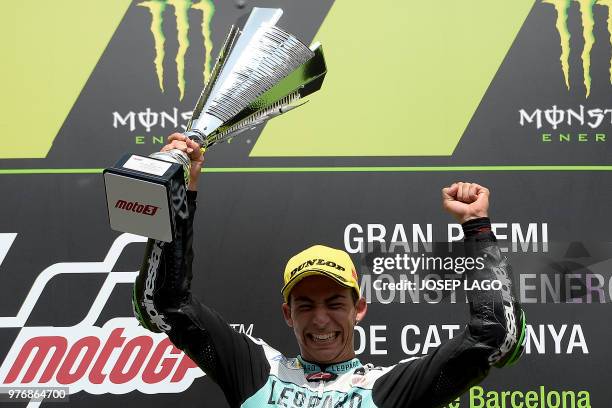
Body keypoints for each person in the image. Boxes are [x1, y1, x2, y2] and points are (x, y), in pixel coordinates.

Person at [132, 134, 526, 408]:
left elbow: (496, 337)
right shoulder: (257, 371)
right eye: (305, 305)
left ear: (359, 308)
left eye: (335, 302)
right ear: (288, 314)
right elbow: (163, 305)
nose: (320, 318)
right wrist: (176, 192)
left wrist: (476, 227)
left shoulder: (387, 389)